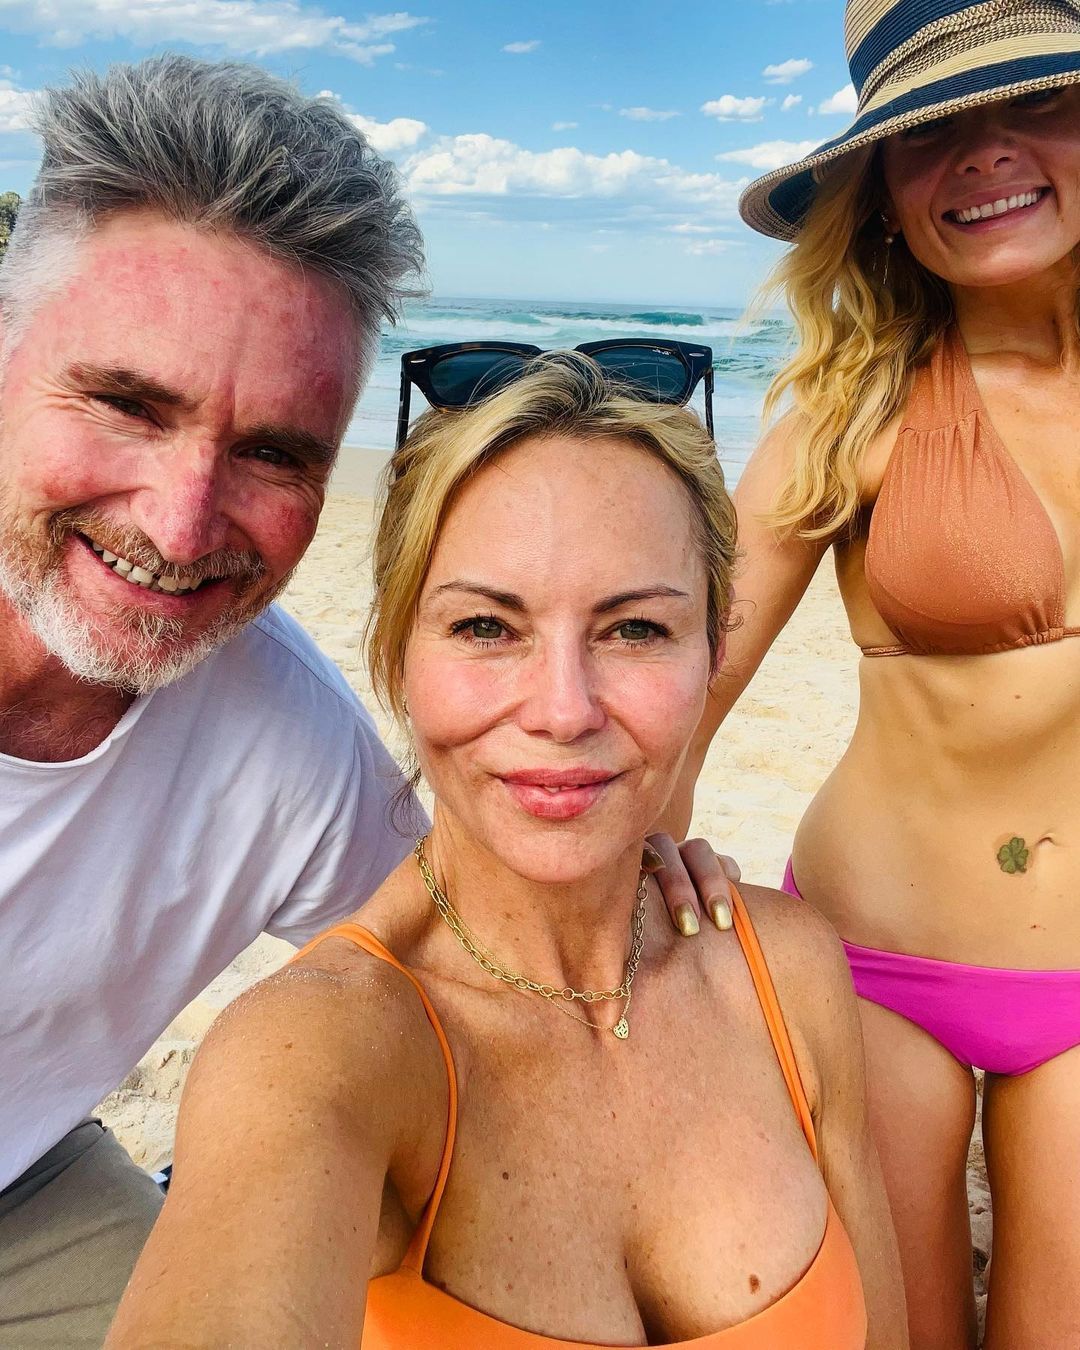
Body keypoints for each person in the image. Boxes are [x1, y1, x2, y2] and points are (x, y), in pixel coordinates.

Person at [107, 355, 907, 1349]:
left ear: (713, 653)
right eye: (486, 626)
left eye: (635, 628)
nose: (564, 711)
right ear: (399, 656)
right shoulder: (319, 1051)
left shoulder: (786, 973)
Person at [658, 1, 1080, 1346]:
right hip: (878, 962)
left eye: (1038, 102)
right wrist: (637, 885)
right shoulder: (851, 406)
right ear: (883, 194)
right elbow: (689, 674)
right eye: (932, 132)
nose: (986, 152)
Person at [0, 53, 428, 1348]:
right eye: (127, 403)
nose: (182, 527)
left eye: (273, 452)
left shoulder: (288, 746)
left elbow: (480, 990)